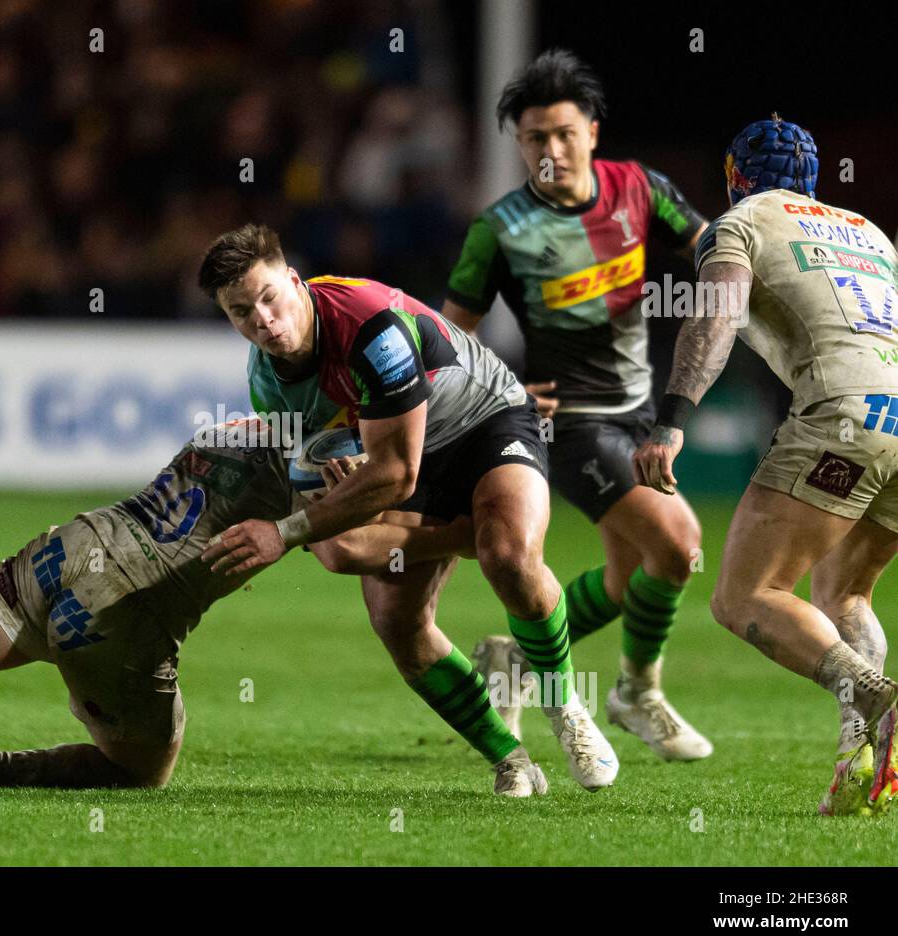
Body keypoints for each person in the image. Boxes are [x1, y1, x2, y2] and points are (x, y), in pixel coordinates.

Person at [0, 417, 547, 797]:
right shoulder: (328, 453)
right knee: (143, 770)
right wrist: (459, 536)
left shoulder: (240, 426)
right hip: (118, 617)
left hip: (67, 547)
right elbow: (340, 547)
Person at [198, 224, 619, 791]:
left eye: (270, 297)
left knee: (510, 554)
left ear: (295, 282)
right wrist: (328, 482)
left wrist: (284, 530)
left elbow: (396, 475)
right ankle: (511, 759)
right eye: (241, 312)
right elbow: (328, 483)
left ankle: (567, 711)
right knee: (376, 597)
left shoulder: (369, 327)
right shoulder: (268, 384)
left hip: (482, 422)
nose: (264, 321)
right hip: (400, 450)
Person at [441, 49, 712, 761]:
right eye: (535, 138)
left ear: (592, 129)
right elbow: (445, 340)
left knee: (631, 579)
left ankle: (518, 659)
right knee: (678, 547)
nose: (551, 150)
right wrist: (502, 385)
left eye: (564, 133)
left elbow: (716, 252)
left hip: (639, 407)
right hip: (569, 425)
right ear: (519, 144)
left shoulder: (640, 188)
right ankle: (637, 692)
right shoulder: (500, 229)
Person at [633, 114, 898, 815]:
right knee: (845, 596)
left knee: (743, 595)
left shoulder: (743, 221)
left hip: (841, 414)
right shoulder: (868, 232)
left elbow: (716, 318)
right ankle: (855, 763)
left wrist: (672, 420)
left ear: (735, 178)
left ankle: (871, 692)